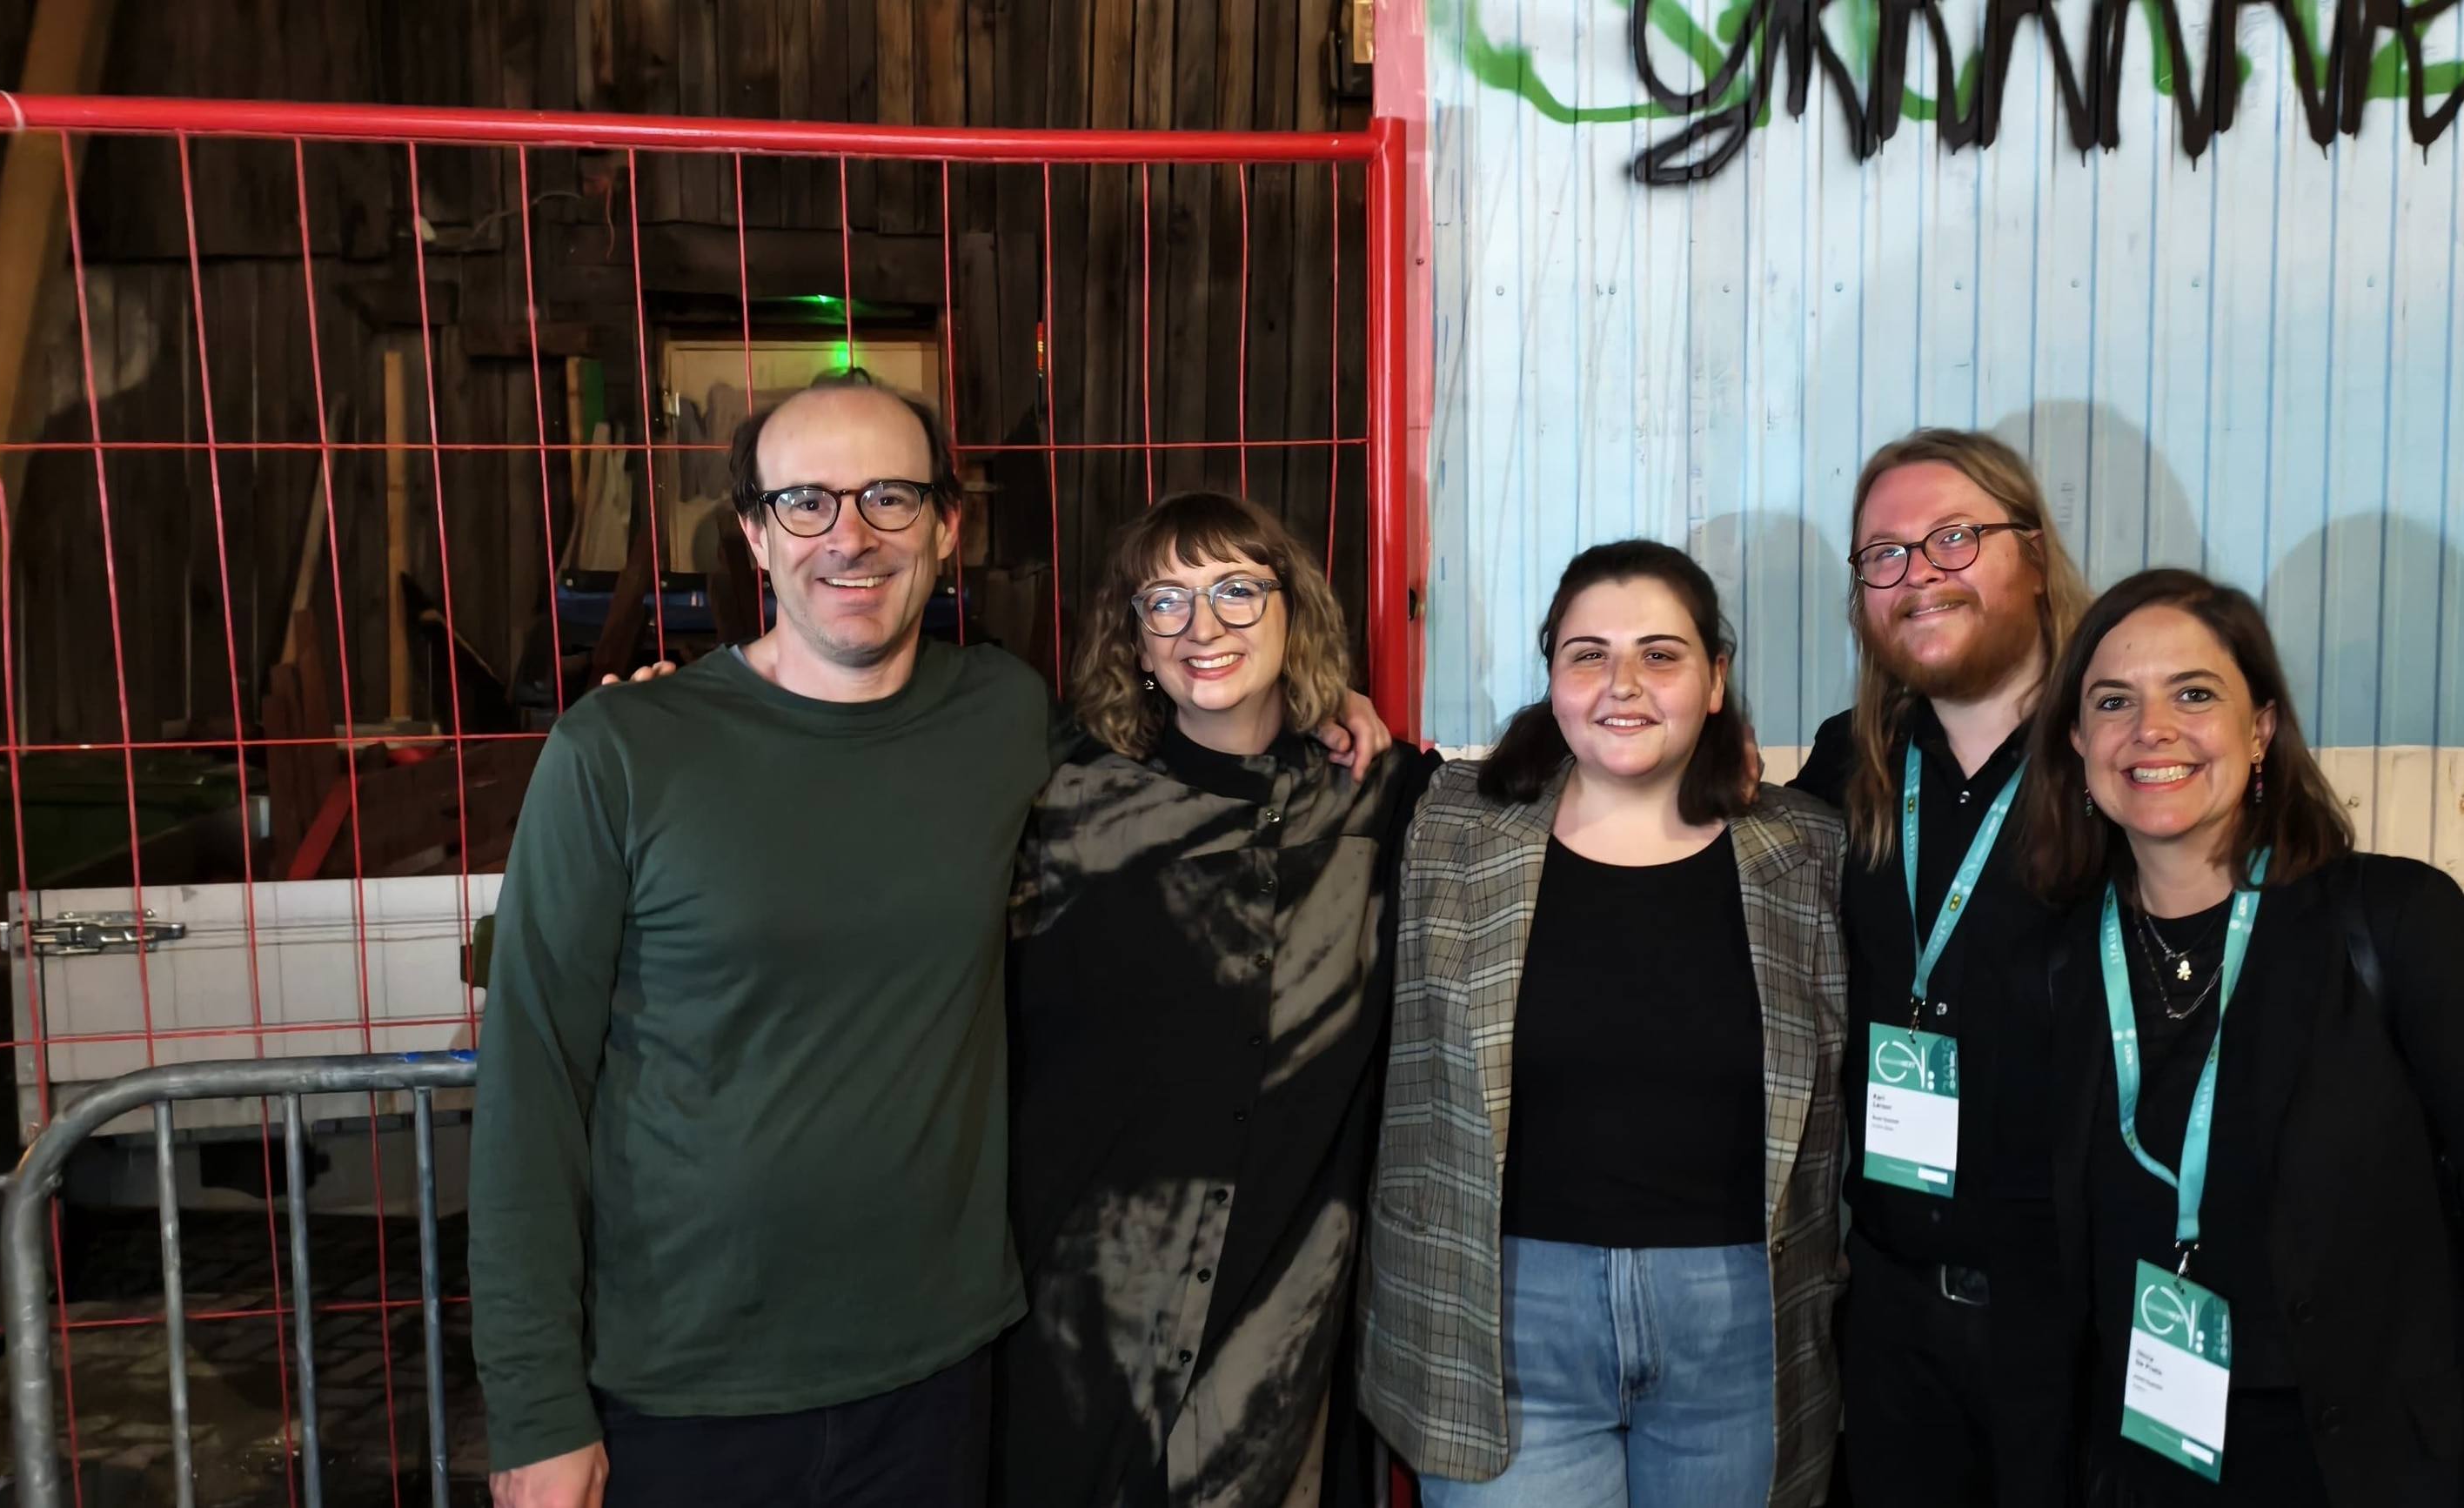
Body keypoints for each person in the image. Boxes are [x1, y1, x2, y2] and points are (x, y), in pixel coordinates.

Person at [475, 373, 1389, 1508]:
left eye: (890, 497)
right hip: (685, 1389)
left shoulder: (1004, 717)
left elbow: (1185, 753)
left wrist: (1321, 705)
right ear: (755, 535)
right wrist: (535, 1408)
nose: (849, 535)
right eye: (805, 501)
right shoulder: (620, 749)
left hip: (942, 1380)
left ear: (947, 527)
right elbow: (530, 1089)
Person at [2009, 568, 2464, 1506]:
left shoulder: (2394, 922)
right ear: (2077, 744)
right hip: (2145, 1466)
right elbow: (2042, 1282)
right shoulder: (2059, 964)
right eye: (2114, 701)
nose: (2151, 728)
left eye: (2194, 694)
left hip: (2362, 1471)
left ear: (2261, 730)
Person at [1360, 540, 1850, 1507]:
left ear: (1716, 679)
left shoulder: (1811, 851)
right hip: (1500, 1323)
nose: (1623, 683)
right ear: (1551, 676)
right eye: (1589, 654)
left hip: (1740, 1327)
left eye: (1660, 654)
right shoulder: (1444, 826)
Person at [991, 490, 1436, 1508]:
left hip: (1278, 1317)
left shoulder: (1376, 795)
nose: (1204, 626)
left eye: (1237, 590)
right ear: (1134, 638)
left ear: (1293, 609)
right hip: (1084, 1307)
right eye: (1167, 601)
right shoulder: (1063, 799)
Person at [1786, 428, 2092, 1506]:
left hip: (2082, 1329)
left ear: (2034, 553)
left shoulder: (2120, 757)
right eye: (1886, 554)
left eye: (1955, 538)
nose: (1919, 573)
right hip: (1891, 1316)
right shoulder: (1849, 760)